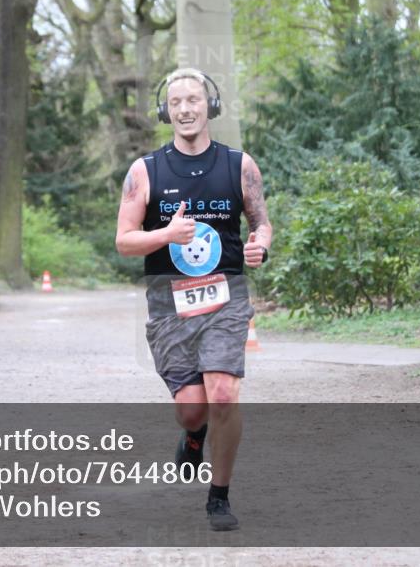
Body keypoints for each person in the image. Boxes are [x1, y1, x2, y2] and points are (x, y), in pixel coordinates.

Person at [115, 67, 272, 531]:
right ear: (167, 111)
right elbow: (124, 240)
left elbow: (261, 222)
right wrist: (166, 233)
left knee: (223, 394)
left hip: (226, 295)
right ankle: (193, 435)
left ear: (210, 107)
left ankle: (219, 497)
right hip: (169, 302)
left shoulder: (240, 165)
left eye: (194, 100)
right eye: (177, 102)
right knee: (192, 408)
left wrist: (260, 243)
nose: (185, 109)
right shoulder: (144, 172)